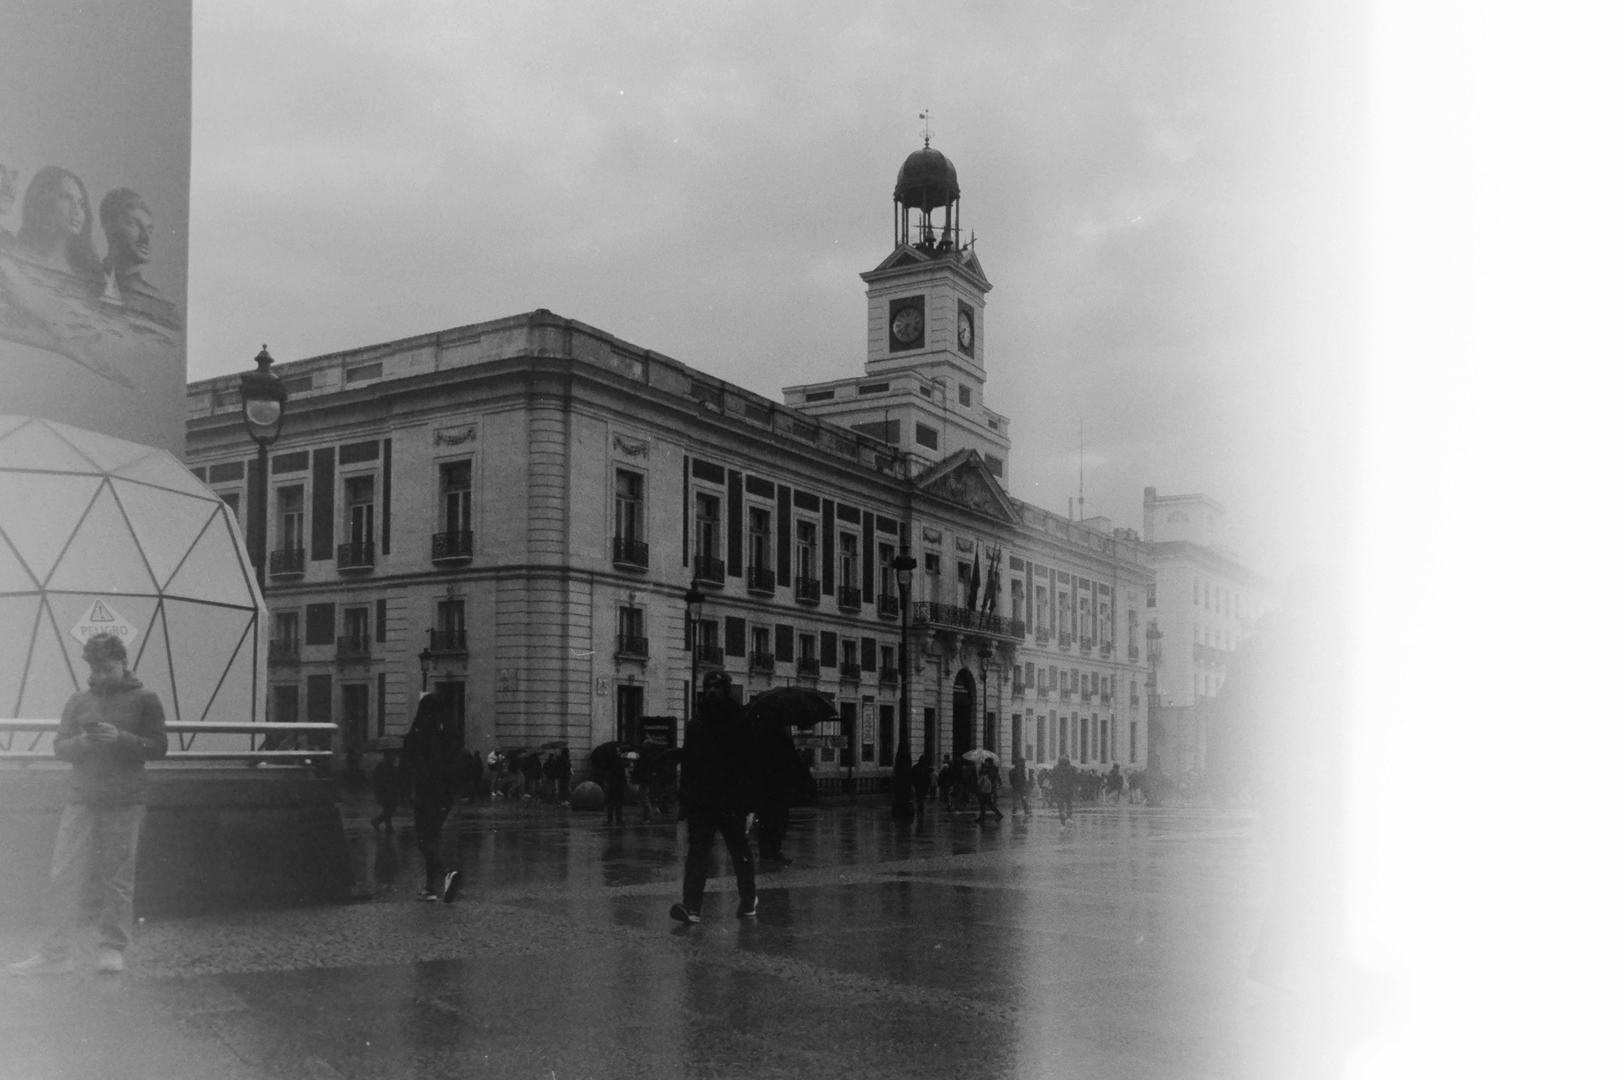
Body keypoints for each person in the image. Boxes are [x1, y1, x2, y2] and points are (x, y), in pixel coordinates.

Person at [8, 633, 166, 976]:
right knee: (62, 874)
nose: (100, 676)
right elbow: (60, 747)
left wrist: (120, 739)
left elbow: (158, 747)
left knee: (117, 877)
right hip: (82, 797)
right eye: (95, 669)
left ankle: (111, 948)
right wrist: (81, 741)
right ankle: (55, 953)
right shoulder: (78, 700)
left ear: (123, 663)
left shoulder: (146, 699)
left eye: (107, 669)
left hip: (124, 800)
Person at [670, 671, 758, 924]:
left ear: (726, 689)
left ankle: (748, 900)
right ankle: (692, 908)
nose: (711, 691)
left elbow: (751, 765)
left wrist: (750, 804)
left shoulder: (741, 721)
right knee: (697, 854)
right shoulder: (696, 723)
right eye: (708, 686)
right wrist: (685, 801)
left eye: (717, 686)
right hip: (702, 801)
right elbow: (688, 764)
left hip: (731, 800)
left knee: (739, 852)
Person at [402, 692, 462, 903]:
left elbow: (409, 761)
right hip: (447, 793)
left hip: (426, 790)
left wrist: (408, 789)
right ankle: (430, 887)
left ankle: (446, 873)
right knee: (433, 837)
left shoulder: (420, 730)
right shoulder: (451, 732)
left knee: (422, 839)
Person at [13, 166, 100, 281]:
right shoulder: (17, 261)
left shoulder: (89, 273)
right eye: (66, 198)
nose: (76, 209)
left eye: (81, 203)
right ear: (44, 201)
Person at [370, 750, 400, 834]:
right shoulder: (389, 767)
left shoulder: (380, 766)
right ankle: (378, 821)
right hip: (388, 791)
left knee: (387, 808)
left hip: (383, 791)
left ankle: (388, 826)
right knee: (391, 808)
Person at [1051, 756, 1080, 824]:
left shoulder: (1056, 768)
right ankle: (1069, 816)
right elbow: (1076, 779)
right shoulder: (1072, 768)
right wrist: (1075, 787)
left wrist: (1054, 788)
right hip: (1069, 789)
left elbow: (1053, 779)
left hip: (1060, 789)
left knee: (1061, 804)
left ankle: (1062, 815)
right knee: (1069, 803)